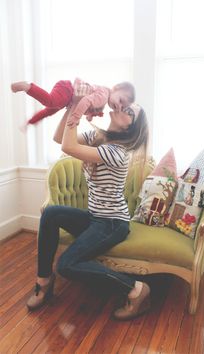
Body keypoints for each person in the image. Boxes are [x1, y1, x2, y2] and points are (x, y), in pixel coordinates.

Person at [26, 101, 150, 320]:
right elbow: (59, 138)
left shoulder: (116, 152)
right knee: (51, 213)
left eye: (130, 112)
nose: (123, 107)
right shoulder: (99, 138)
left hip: (113, 223)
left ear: (130, 128)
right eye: (127, 104)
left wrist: (80, 106)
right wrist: (70, 107)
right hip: (95, 217)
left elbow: (68, 148)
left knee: (66, 265)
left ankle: (135, 288)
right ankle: (44, 281)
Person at [11, 78, 135, 128]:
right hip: (68, 92)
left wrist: (90, 114)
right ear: (116, 87)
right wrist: (76, 117)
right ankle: (26, 87)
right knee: (50, 101)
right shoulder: (103, 96)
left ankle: (30, 122)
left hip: (67, 93)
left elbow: (88, 102)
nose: (119, 106)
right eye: (120, 101)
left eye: (122, 107)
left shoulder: (104, 95)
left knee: (48, 111)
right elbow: (86, 100)